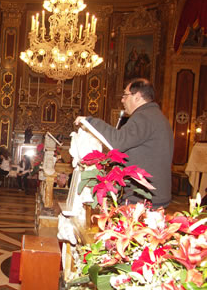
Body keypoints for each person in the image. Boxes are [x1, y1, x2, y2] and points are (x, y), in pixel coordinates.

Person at [74, 78, 174, 208]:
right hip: (156, 194)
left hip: (143, 197)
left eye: (125, 96)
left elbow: (118, 141)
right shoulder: (157, 116)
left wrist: (91, 122)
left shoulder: (144, 117)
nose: (122, 100)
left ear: (137, 97)